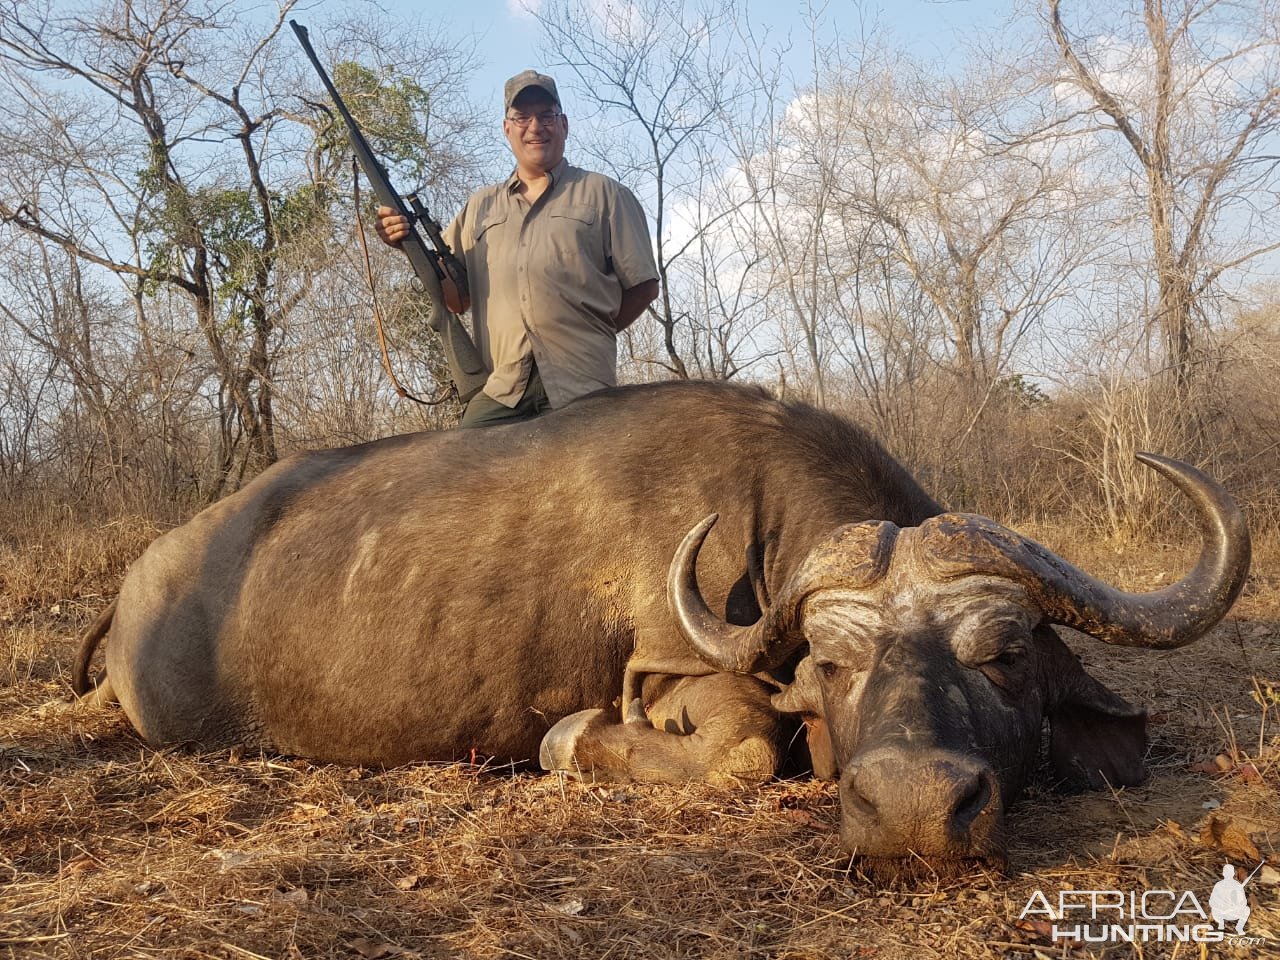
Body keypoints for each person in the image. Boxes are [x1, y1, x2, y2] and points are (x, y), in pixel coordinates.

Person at [376, 70, 660, 428]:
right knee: (459, 469)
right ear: (507, 129)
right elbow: (454, 300)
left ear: (564, 125)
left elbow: (644, 286)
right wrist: (405, 244)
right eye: (522, 117)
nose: (535, 126)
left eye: (546, 116)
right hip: (502, 387)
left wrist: (592, 331)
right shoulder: (480, 206)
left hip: (582, 387)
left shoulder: (605, 194)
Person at [1209, 863, 1250, 934]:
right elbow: (1212, 900)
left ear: (1233, 873)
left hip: (1233, 912)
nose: (1228, 874)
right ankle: (1220, 924)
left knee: (1246, 909)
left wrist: (1237, 906)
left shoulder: (1237, 885)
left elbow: (1244, 901)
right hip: (1221, 912)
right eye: (1226, 872)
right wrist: (1220, 906)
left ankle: (1239, 927)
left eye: (1230, 872)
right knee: (1214, 910)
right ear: (1223, 873)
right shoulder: (1218, 885)